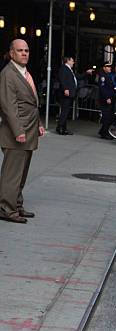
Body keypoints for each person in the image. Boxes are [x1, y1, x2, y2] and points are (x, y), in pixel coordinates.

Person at [0, 39, 45, 224]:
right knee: (12, 174)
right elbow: (8, 106)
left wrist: (39, 124)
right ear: (12, 53)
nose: (24, 53)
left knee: (22, 172)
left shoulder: (23, 72)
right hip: (16, 133)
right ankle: (6, 209)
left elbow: (31, 103)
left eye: (26, 50)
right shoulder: (8, 74)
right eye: (20, 50)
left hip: (29, 129)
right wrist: (18, 130)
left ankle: (16, 205)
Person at [56, 56, 93, 135]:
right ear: (68, 61)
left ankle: (63, 128)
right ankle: (60, 127)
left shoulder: (70, 70)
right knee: (65, 111)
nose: (73, 62)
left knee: (66, 111)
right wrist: (65, 89)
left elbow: (78, 77)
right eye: (72, 61)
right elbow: (62, 79)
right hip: (66, 93)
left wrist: (86, 73)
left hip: (70, 93)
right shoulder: (63, 69)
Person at [98, 61, 116, 139]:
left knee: (110, 116)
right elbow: (103, 88)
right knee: (107, 117)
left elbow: (110, 87)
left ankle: (103, 131)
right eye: (108, 67)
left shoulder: (107, 76)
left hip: (110, 98)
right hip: (105, 100)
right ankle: (104, 133)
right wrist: (107, 98)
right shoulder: (103, 76)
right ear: (104, 68)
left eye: (110, 67)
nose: (110, 68)